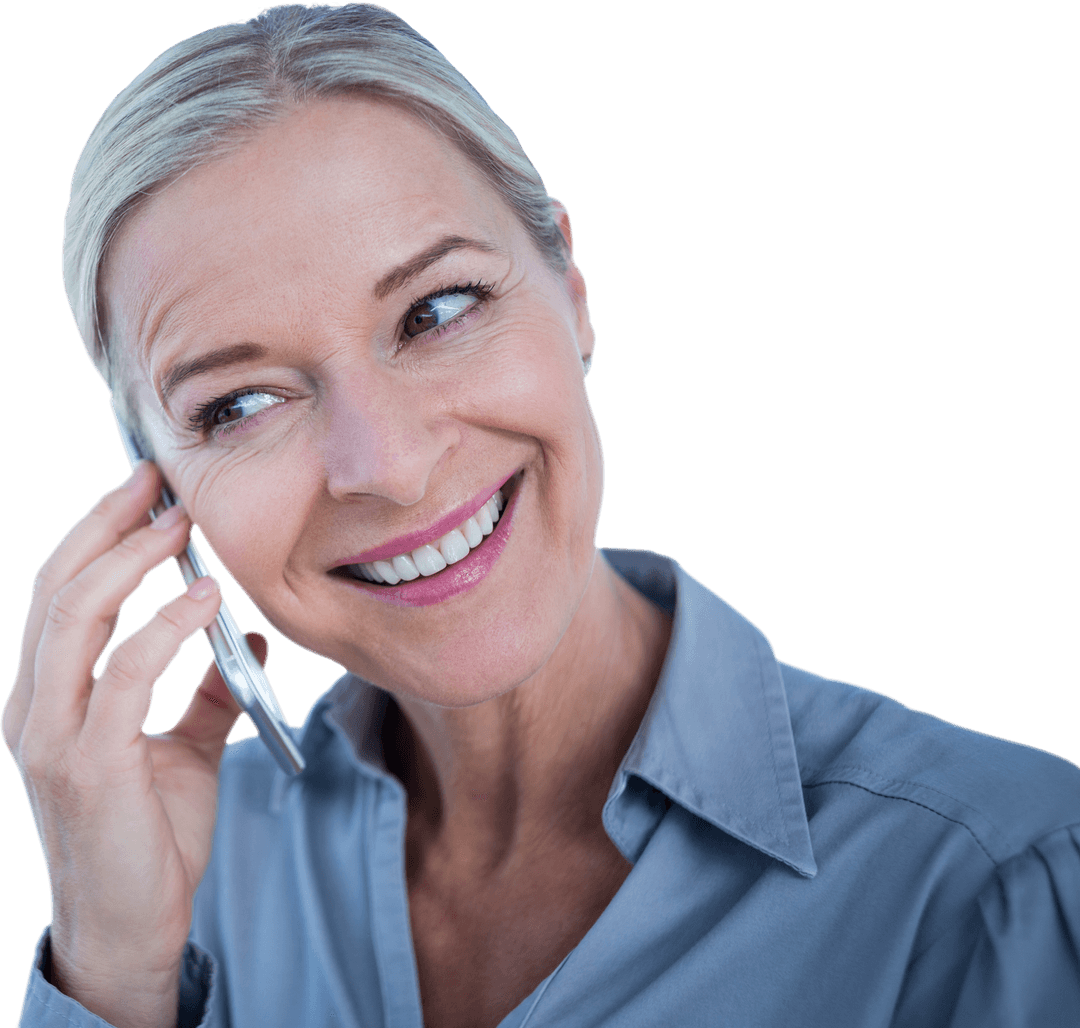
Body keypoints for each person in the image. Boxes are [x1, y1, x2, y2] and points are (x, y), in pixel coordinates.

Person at [6, 4, 1079, 1027]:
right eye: (238, 406)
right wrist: (109, 968)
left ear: (570, 290)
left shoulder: (1001, 876)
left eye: (437, 311)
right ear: (156, 484)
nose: (388, 464)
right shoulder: (178, 885)